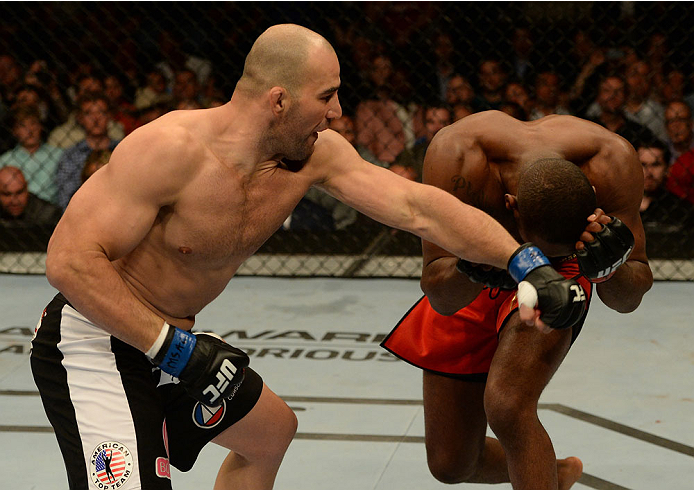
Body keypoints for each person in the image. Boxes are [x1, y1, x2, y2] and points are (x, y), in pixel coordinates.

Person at [31, 25, 587, 490]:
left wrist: (523, 261)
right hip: (95, 343)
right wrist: (172, 349)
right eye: (327, 96)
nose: (338, 112)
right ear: (279, 100)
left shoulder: (315, 158)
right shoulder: (168, 150)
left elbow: (419, 208)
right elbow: (70, 261)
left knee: (269, 434)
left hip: (171, 348)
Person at [381, 111, 653, 490]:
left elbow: (628, 299)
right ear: (511, 207)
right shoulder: (456, 155)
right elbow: (440, 294)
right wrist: (470, 267)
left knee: (508, 406)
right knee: (451, 464)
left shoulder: (611, 161)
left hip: (564, 278)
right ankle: (552, 475)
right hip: (480, 261)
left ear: (592, 205)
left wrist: (611, 265)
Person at [55, 91, 120, 209]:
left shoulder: (122, 150)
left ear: (109, 115)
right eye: (88, 113)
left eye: (101, 112)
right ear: (80, 119)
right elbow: (66, 202)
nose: (96, 118)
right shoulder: (71, 156)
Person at [637, 138, 694, 257]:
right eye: (643, 165)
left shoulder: (684, 211)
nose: (649, 172)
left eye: (656, 165)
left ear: (668, 169)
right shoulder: (619, 207)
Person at [0, 105, 63, 205]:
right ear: (14, 131)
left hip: (53, 212)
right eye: (23, 126)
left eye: (33, 123)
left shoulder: (59, 155)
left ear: (40, 126)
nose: (30, 130)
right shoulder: (4, 161)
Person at [663, 100, 694, 164]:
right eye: (671, 121)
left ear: (691, 124)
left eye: (681, 119)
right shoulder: (662, 150)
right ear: (666, 127)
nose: (676, 125)